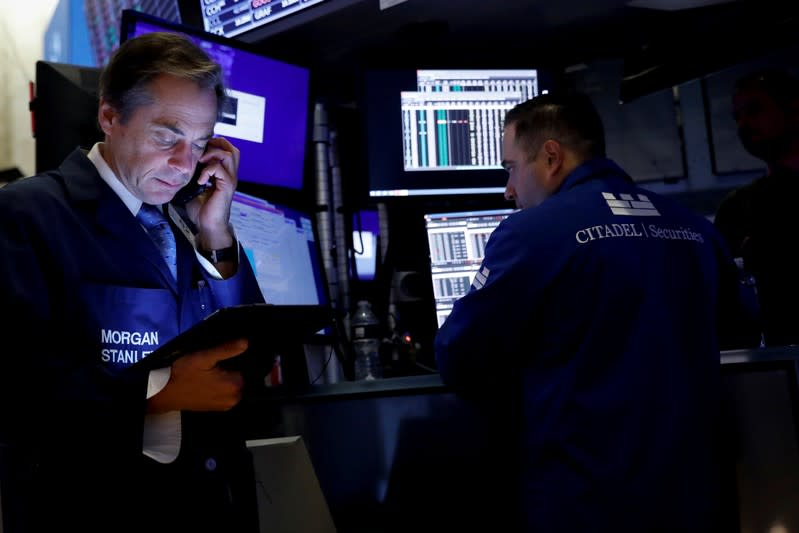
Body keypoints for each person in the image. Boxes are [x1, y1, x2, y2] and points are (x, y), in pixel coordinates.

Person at [434, 92, 759, 532]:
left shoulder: (530, 234)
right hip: (701, 497)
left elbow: (458, 355)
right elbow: (740, 333)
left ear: (551, 157)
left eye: (510, 168)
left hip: (589, 501)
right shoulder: (694, 226)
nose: (509, 189)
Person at [0, 32, 265, 533]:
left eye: (201, 143)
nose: (186, 164)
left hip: (208, 506)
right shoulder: (28, 214)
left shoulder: (193, 218)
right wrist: (158, 393)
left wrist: (216, 231)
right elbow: (17, 393)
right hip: (95, 509)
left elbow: (248, 355)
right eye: (167, 137)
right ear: (109, 117)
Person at [714, 67, 799, 347]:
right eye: (737, 117)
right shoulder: (736, 210)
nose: (743, 124)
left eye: (755, 110)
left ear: (793, 108)